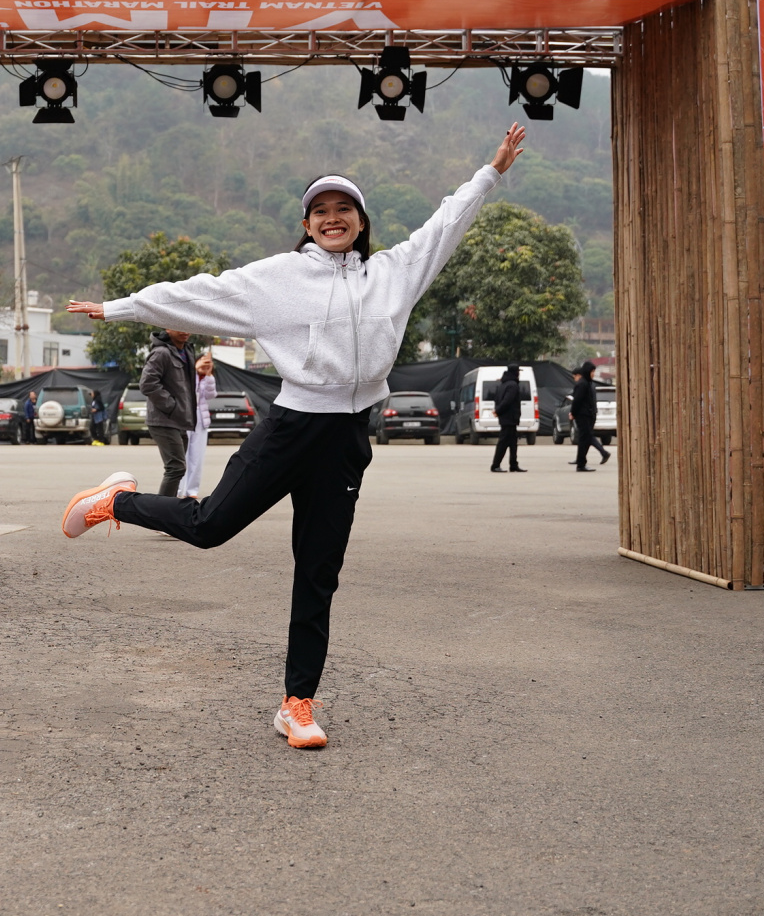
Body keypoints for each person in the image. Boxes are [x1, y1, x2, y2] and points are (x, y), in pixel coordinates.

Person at [59, 123, 526, 749]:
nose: (332, 218)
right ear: (307, 225)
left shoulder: (394, 273)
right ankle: (115, 501)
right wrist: (121, 307)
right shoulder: (278, 279)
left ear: (361, 221)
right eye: (320, 211)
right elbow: (202, 293)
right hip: (291, 429)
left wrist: (490, 174)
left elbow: (446, 223)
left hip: (347, 441)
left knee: (318, 573)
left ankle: (297, 704)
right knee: (210, 526)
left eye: (343, 209)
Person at [138, 328, 198, 496]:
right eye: (178, 326)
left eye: (187, 326)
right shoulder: (161, 353)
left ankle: (166, 507)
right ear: (167, 328)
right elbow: (147, 384)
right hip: (164, 419)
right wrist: (171, 406)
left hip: (180, 419)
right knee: (176, 467)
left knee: (177, 469)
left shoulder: (187, 351)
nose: (185, 330)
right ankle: (162, 509)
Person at [182, 349, 219, 498]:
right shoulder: (187, 375)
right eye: (203, 361)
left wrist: (208, 374)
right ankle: (179, 489)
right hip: (184, 416)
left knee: (197, 457)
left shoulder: (208, 378)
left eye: (208, 363)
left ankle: (192, 490)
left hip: (201, 417)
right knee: (182, 454)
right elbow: (186, 389)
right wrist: (195, 370)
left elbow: (210, 395)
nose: (205, 364)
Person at [570, 361, 610, 472]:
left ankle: (581, 461)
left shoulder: (588, 383)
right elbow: (577, 401)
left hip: (588, 415)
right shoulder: (582, 384)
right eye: (592, 371)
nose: (593, 374)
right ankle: (581, 464)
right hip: (583, 416)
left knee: (585, 439)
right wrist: (573, 413)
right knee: (585, 439)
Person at [489, 366, 525, 473]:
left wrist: (498, 411)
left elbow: (497, 399)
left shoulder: (503, 384)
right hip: (509, 418)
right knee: (503, 442)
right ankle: (495, 465)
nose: (519, 374)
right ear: (515, 372)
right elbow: (507, 400)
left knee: (513, 443)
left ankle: (513, 465)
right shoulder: (512, 385)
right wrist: (498, 411)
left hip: (506, 418)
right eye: (518, 372)